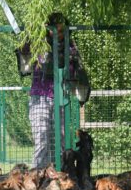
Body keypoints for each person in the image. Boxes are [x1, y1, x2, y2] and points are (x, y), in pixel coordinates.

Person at [15, 12, 90, 168]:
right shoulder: (38, 45)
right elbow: (22, 49)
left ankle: (59, 176)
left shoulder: (71, 48)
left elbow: (74, 72)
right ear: (47, 29)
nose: (58, 34)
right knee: (42, 141)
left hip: (61, 98)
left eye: (62, 30)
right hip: (39, 99)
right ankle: (38, 178)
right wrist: (32, 32)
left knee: (60, 142)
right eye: (54, 30)